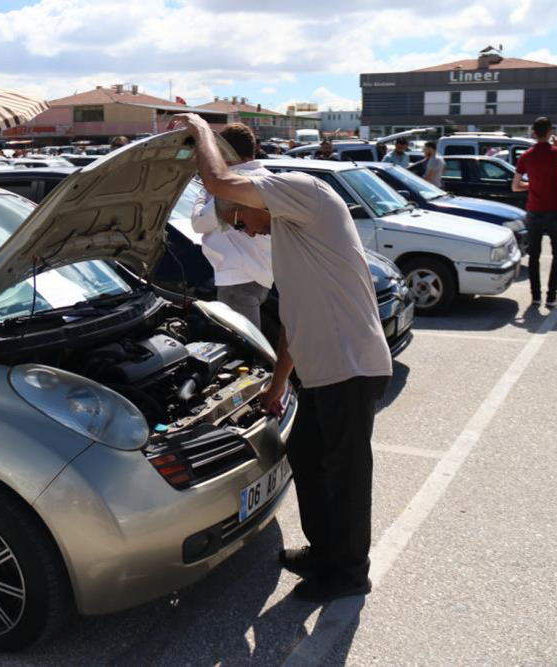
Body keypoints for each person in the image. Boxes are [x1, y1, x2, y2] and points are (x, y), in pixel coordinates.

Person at [168, 112, 393, 604]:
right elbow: (292, 319)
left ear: (255, 194)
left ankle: (350, 572)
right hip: (319, 370)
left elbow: (217, 179)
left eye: (239, 217)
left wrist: (198, 128)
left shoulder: (304, 193)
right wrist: (278, 382)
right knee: (306, 455)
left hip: (351, 365)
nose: (244, 230)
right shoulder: (289, 240)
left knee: (347, 473)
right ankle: (324, 551)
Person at [190, 123, 272, 329]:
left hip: (237, 278)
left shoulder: (231, 185)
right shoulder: (269, 178)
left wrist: (203, 192)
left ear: (224, 150)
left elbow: (199, 223)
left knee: (245, 349)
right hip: (263, 273)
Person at [513, 116, 557, 308]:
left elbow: (515, 186)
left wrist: (531, 184)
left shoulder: (526, 156)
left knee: (534, 255)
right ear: (550, 132)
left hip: (535, 210)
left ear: (533, 133)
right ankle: (552, 296)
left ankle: (535, 296)